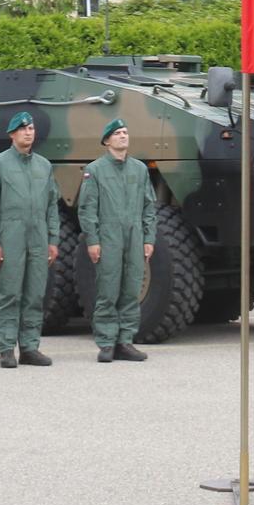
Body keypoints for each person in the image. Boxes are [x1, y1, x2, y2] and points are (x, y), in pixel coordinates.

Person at [0, 111, 59, 368]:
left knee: (35, 294)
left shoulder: (44, 166)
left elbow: (51, 207)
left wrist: (53, 240)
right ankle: (5, 348)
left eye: (31, 128)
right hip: (10, 237)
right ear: (12, 134)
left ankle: (29, 347)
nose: (29, 132)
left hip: (38, 237)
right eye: (23, 129)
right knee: (10, 294)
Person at [76, 118, 155, 363]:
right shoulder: (95, 170)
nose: (123, 136)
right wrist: (92, 240)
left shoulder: (139, 169)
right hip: (108, 237)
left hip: (134, 236)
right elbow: (87, 209)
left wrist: (148, 238)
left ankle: (125, 341)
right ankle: (106, 342)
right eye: (118, 133)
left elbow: (149, 206)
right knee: (108, 291)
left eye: (125, 132)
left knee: (131, 290)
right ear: (107, 140)